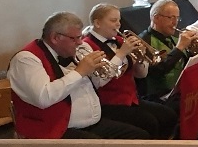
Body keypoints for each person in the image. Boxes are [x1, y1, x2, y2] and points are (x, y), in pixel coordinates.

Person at [8, 11, 147, 139]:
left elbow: (99, 82)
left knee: (140, 137)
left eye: (80, 37)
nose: (80, 42)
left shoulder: (72, 52)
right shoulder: (26, 59)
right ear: (55, 38)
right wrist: (80, 72)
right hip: (53, 131)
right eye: (74, 38)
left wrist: (96, 69)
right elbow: (44, 97)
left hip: (91, 124)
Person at [79, 3, 177, 139]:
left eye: (119, 20)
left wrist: (141, 59)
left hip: (130, 98)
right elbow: (100, 81)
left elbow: (141, 75)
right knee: (150, 123)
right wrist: (122, 53)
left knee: (168, 115)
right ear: (97, 23)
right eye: (113, 21)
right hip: (109, 103)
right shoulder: (86, 46)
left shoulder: (119, 40)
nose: (118, 24)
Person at [139, 0, 198, 109]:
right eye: (171, 17)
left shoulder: (174, 37)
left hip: (178, 91)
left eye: (177, 18)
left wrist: (193, 52)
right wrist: (180, 47)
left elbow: (185, 65)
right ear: (156, 18)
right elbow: (157, 71)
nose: (175, 22)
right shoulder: (143, 41)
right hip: (158, 96)